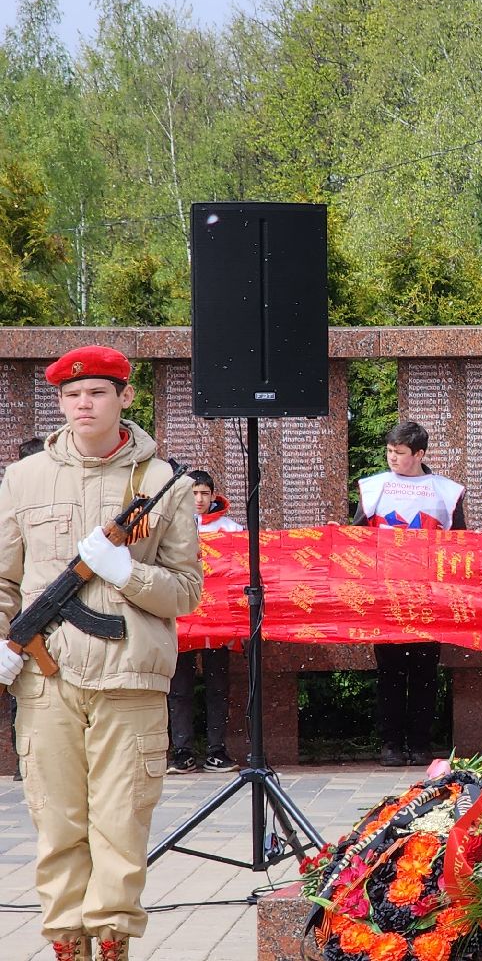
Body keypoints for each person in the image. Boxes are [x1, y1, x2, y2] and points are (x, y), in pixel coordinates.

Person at [0, 346, 203, 961]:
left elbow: (186, 592)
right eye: (71, 395)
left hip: (130, 681)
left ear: (124, 397)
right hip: (45, 682)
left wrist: (125, 574)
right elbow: (4, 580)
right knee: (58, 824)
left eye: (96, 393)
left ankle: (111, 942)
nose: (82, 404)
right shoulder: (23, 478)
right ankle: (67, 943)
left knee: (120, 824)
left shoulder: (165, 484)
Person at [351, 421, 465, 767]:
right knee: (389, 672)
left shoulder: (446, 491)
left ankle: (419, 743)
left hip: (428, 596)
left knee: (424, 671)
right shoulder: (373, 488)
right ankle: (390, 743)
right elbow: (357, 537)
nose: (392, 458)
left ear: (419, 454)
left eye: (399, 453)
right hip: (386, 595)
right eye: (389, 451)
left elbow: (460, 542)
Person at [166, 470, 242, 775]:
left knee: (217, 687)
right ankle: (181, 751)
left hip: (217, 624)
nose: (198, 500)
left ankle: (216, 750)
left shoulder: (231, 530)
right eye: (193, 493)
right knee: (179, 688)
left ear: (213, 496)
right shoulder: (170, 528)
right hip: (180, 621)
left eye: (204, 493)